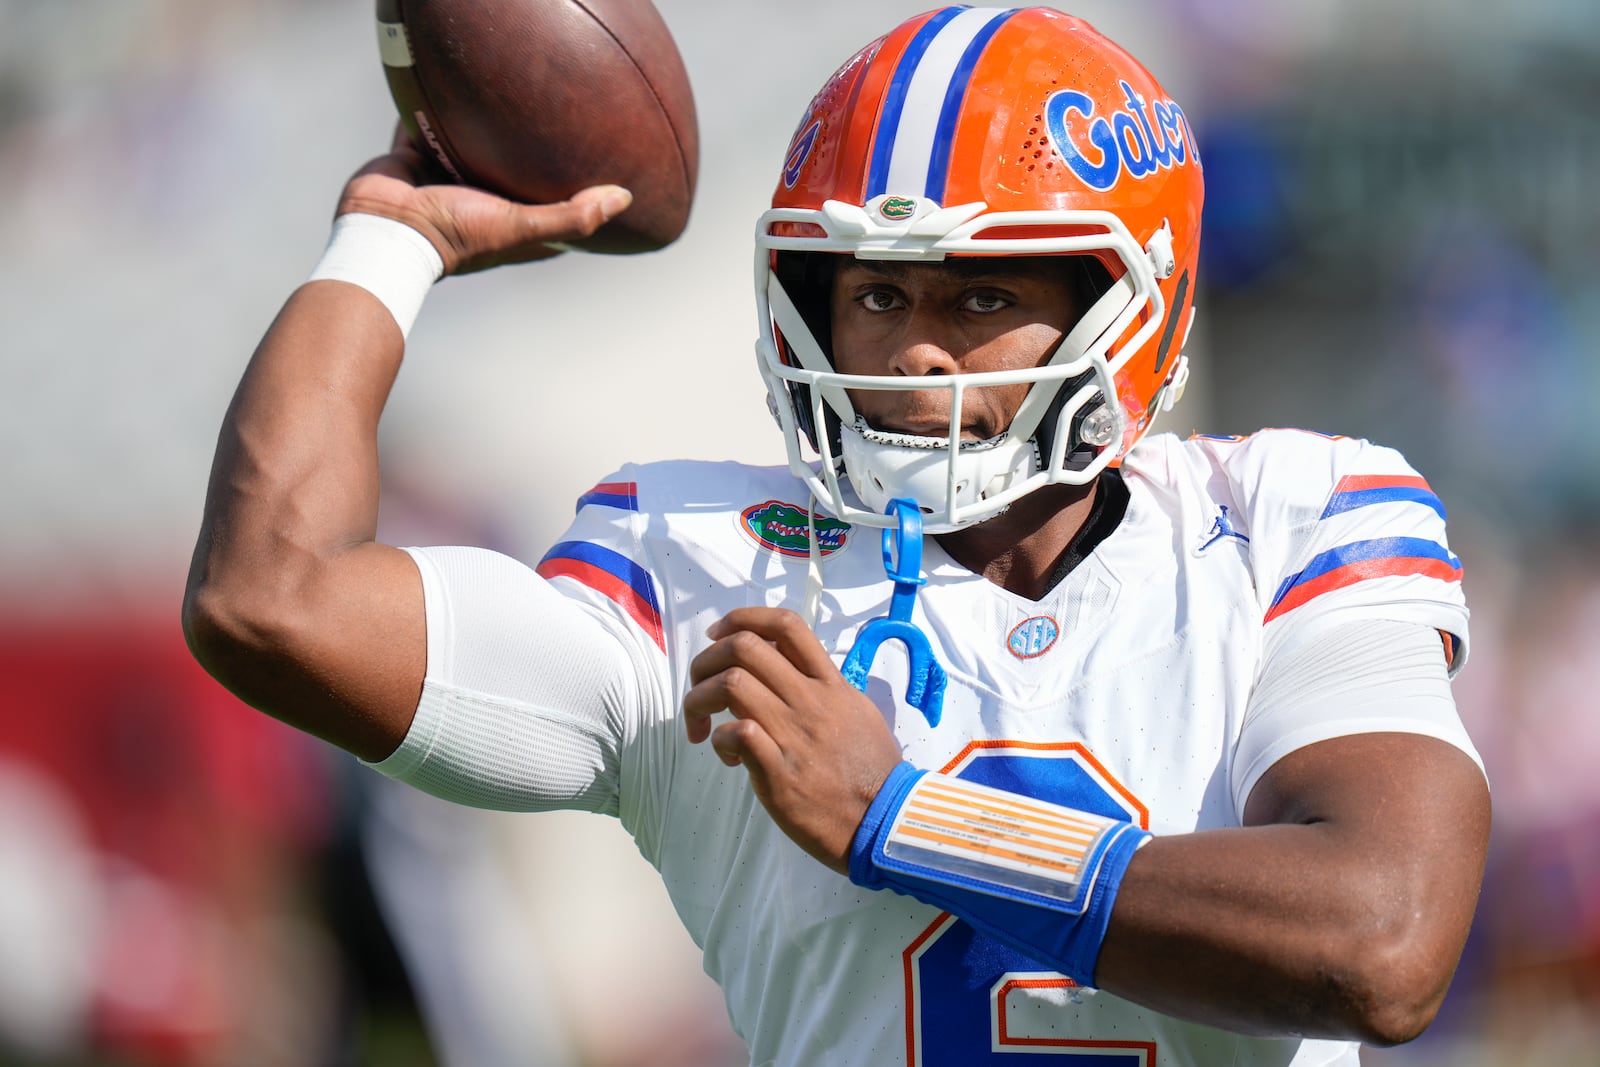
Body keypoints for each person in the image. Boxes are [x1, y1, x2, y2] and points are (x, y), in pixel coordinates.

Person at [183, 7, 1490, 1066]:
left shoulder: (1289, 521)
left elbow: (1383, 943)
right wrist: (389, 241)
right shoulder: (701, 562)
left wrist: (902, 817)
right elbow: (269, 599)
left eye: (981, 293)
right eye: (871, 291)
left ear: (1131, 307)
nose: (913, 346)